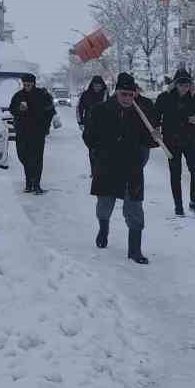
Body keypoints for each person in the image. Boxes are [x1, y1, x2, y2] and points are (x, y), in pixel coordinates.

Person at [83, 72, 160, 264]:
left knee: (135, 208)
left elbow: (147, 141)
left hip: (132, 167)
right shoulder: (100, 110)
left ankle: (135, 250)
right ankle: (103, 228)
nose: (127, 98)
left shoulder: (140, 113)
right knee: (104, 205)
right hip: (107, 166)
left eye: (130, 95)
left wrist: (155, 136)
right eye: (123, 94)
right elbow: (88, 137)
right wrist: (101, 149)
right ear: (116, 93)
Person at [155, 69, 195, 216]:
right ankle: (178, 205)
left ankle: (194, 202)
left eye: (187, 84)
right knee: (175, 174)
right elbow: (155, 115)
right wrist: (157, 127)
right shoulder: (165, 97)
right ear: (175, 84)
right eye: (181, 84)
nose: (184, 87)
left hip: (190, 140)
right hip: (171, 141)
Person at [6, 72, 56, 194]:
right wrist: (19, 109)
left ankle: (36, 184)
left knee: (37, 158)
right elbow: (12, 109)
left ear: (34, 84)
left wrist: (46, 126)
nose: (27, 86)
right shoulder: (18, 96)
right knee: (23, 156)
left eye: (29, 84)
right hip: (22, 131)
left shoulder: (42, 95)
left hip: (37, 132)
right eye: (25, 84)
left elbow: (50, 111)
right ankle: (29, 181)